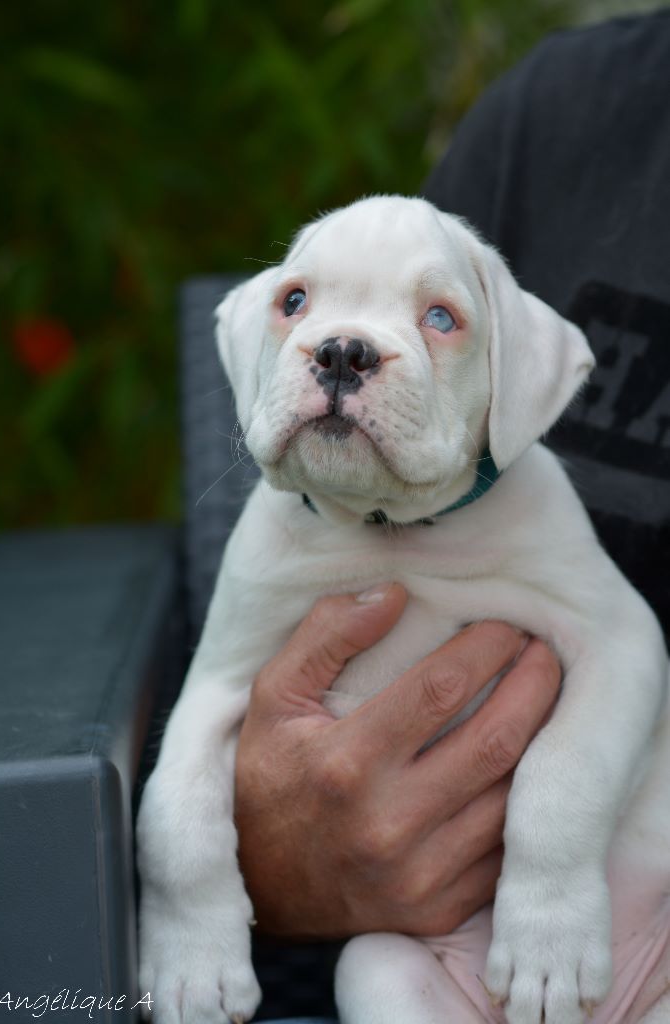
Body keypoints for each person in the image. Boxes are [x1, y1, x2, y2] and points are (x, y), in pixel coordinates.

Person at [234, 10, 670, 1022]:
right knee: (373, 977)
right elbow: (385, 361)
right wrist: (270, 846)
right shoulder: (559, 113)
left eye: (440, 319)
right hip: (448, 938)